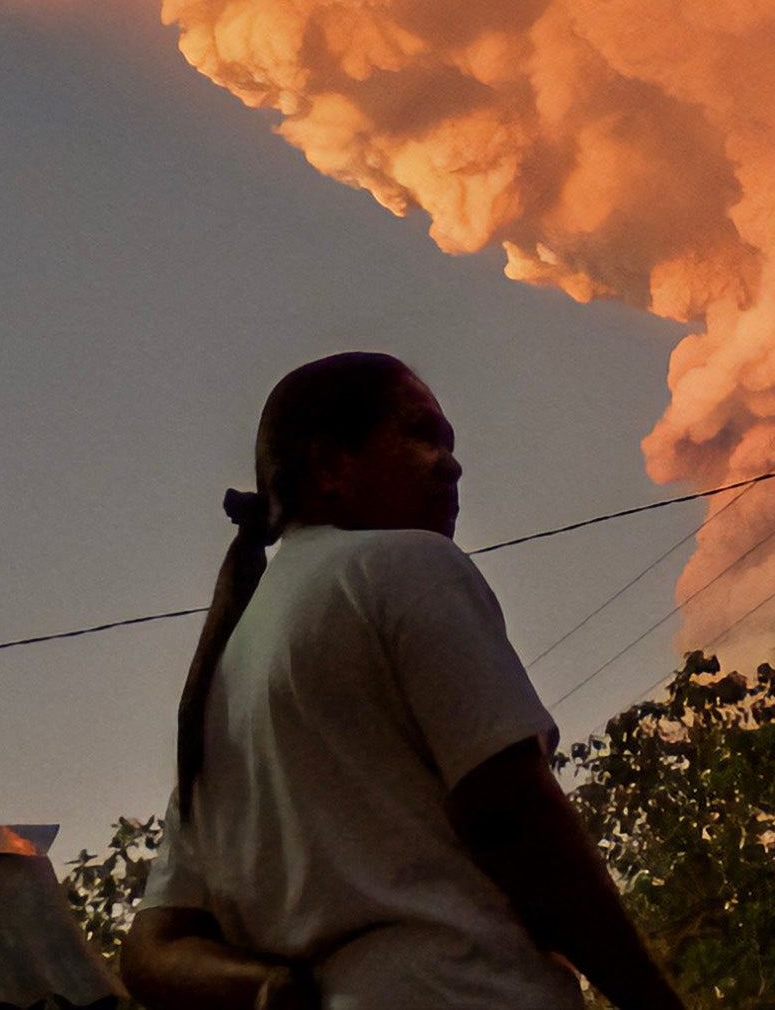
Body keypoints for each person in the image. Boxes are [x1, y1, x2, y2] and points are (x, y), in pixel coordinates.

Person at [121, 354, 688, 1010]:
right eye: (420, 435)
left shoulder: (214, 697)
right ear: (330, 467)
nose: (450, 463)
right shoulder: (405, 564)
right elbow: (514, 820)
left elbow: (152, 949)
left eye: (449, 442)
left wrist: (270, 990)